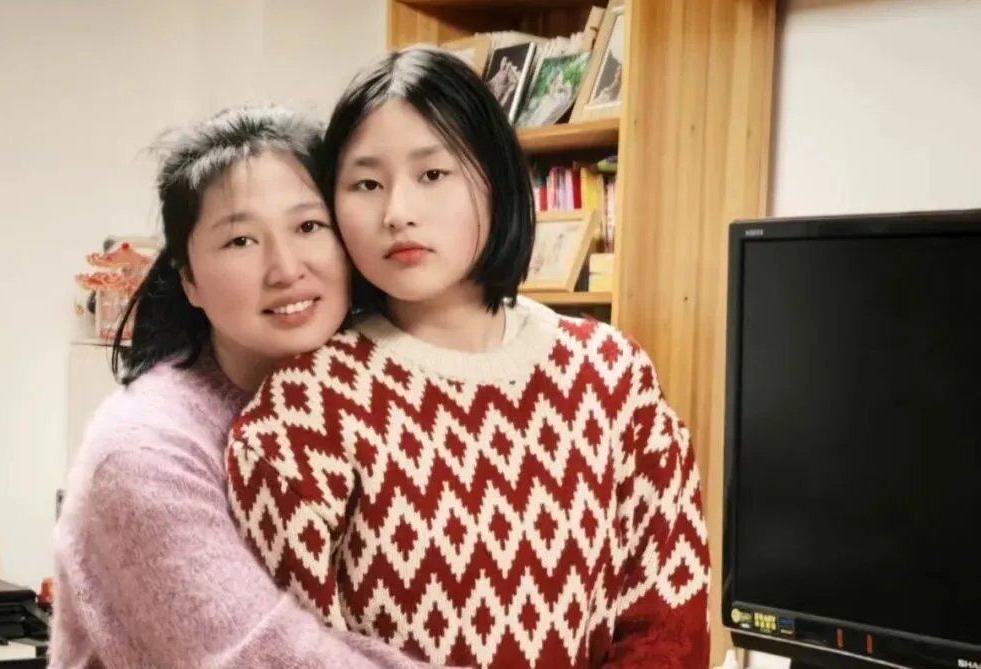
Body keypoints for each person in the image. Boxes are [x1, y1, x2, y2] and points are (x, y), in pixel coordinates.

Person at [226, 48, 711, 669]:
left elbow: (668, 629)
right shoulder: (302, 412)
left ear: (495, 179)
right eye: (366, 184)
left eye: (433, 174)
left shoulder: (614, 375)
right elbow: (289, 657)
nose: (397, 212)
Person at [51, 105, 439, 669]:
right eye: (240, 241)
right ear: (189, 280)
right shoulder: (142, 450)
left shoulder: (369, 392)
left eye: (309, 227)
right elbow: (263, 656)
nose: (286, 269)